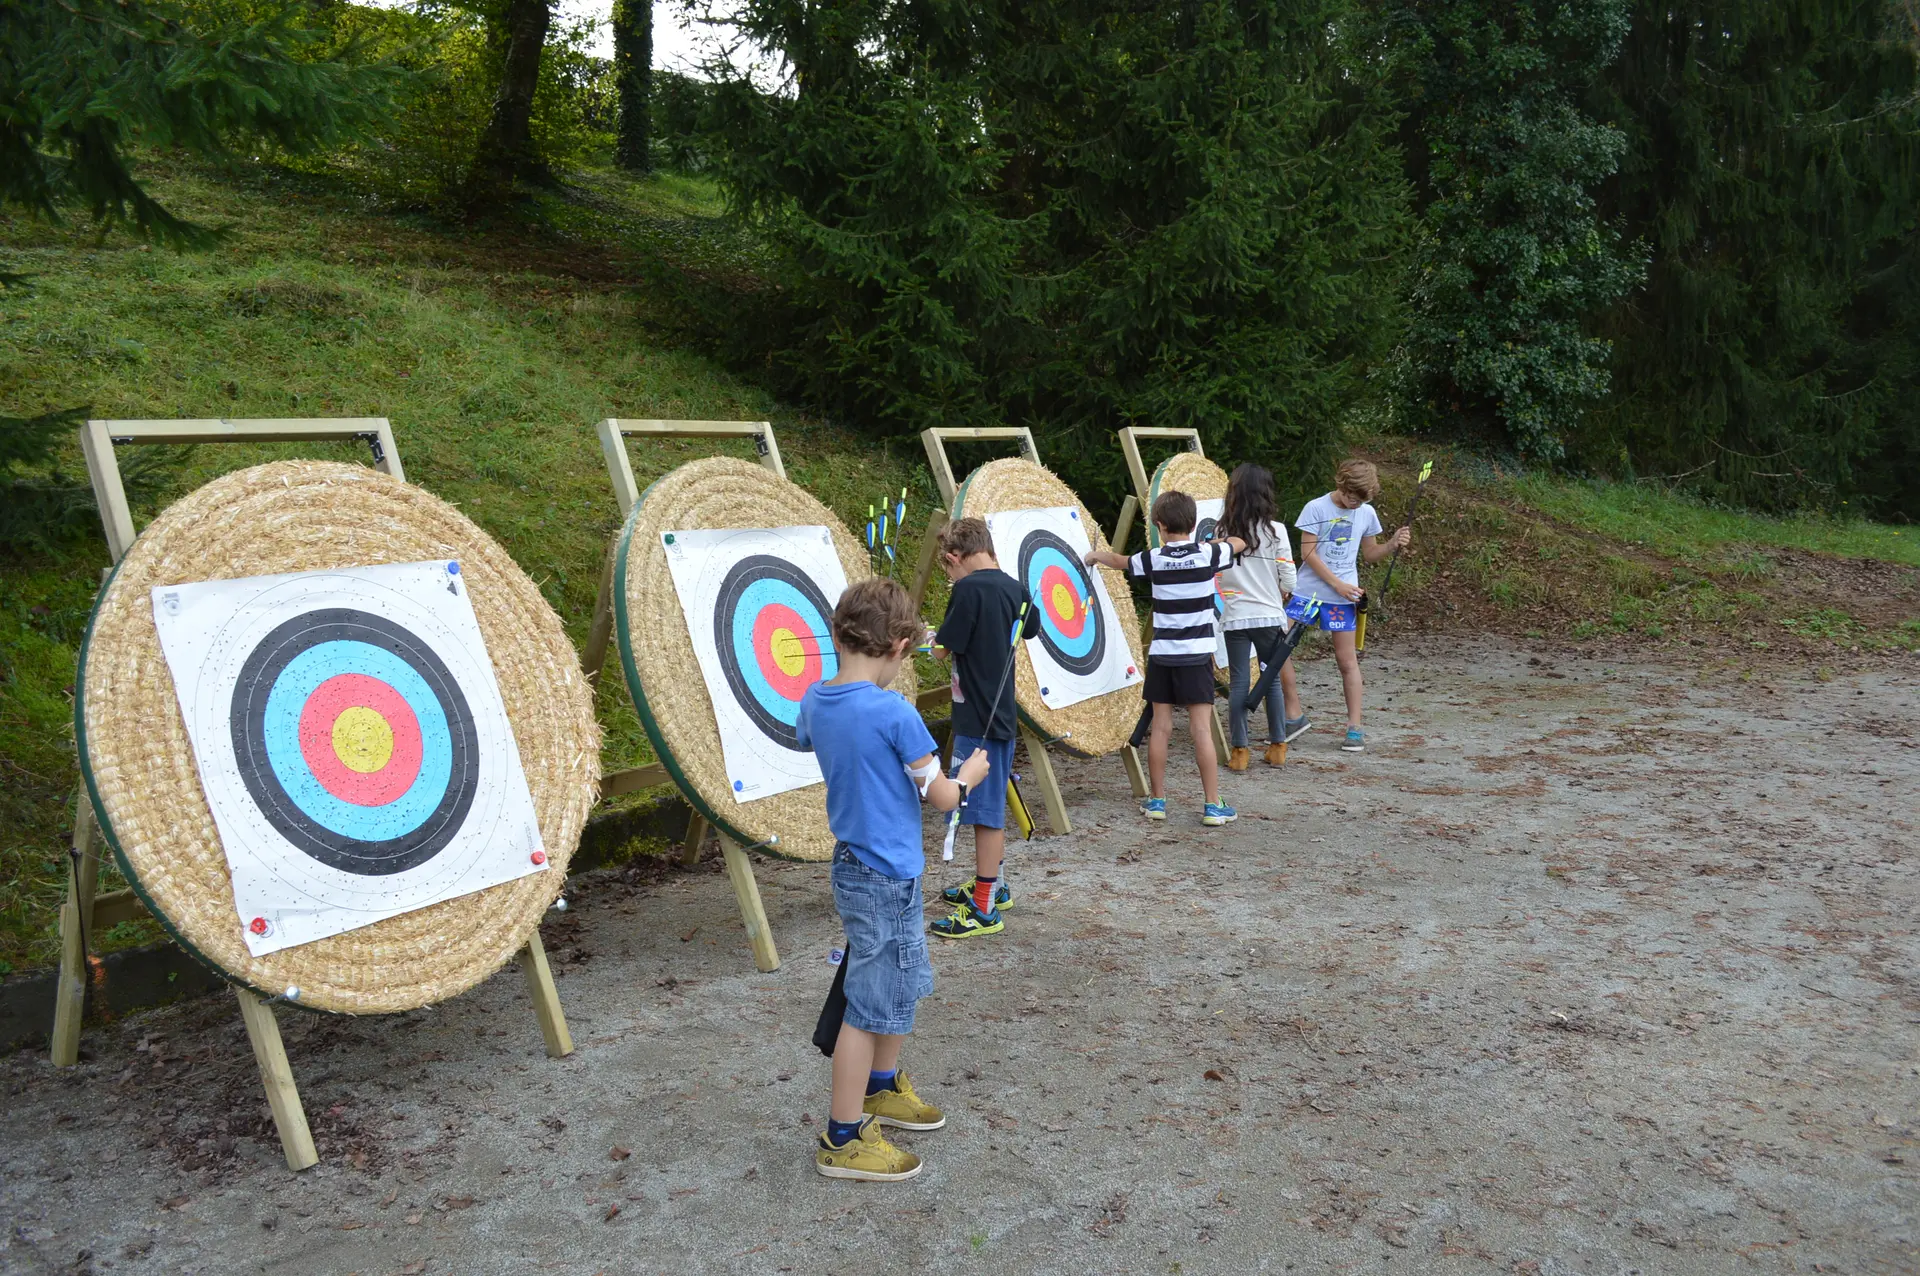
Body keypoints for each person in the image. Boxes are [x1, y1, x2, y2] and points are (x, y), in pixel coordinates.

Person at [796, 577, 992, 1182]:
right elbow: (940, 797)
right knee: (869, 1003)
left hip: (863, 868)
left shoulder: (814, 700)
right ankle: (842, 1137)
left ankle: (881, 1088)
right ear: (901, 645)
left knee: (898, 986)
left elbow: (813, 738)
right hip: (884, 876)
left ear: (838, 634)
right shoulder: (895, 712)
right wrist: (971, 776)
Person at [1085, 490, 1246, 826]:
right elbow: (1239, 543)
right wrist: (1221, 535)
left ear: (1159, 525)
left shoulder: (1154, 558)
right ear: (1193, 524)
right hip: (1197, 657)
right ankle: (1213, 805)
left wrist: (1095, 555)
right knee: (1201, 729)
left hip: (1162, 656)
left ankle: (1157, 801)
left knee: (1161, 728)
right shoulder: (1209, 554)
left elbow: (1120, 561)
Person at [927, 517, 1040, 940]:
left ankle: (985, 908)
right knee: (989, 805)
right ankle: (994, 885)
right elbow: (1030, 626)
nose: (950, 576)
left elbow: (945, 647)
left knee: (984, 814)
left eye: (948, 568)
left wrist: (931, 641)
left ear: (955, 558)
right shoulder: (1014, 587)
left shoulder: (967, 589)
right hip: (1001, 715)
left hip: (979, 718)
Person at [1289, 459, 1411, 752]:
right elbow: (1308, 554)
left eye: (1362, 501)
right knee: (1278, 652)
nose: (1355, 506)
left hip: (1343, 599)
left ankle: (1354, 727)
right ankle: (1293, 715)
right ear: (1341, 485)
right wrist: (1336, 584)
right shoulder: (1315, 508)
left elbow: (1370, 553)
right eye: (1352, 499)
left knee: (1347, 661)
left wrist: (1392, 544)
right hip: (1307, 594)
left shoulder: (1366, 512)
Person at [1214, 463, 1306, 770]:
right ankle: (1278, 746)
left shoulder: (1221, 531)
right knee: (1272, 680)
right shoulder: (1275, 530)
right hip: (1268, 616)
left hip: (1237, 616)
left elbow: (1218, 573)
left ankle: (1240, 753)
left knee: (1239, 682)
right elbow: (1289, 575)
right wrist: (1285, 590)